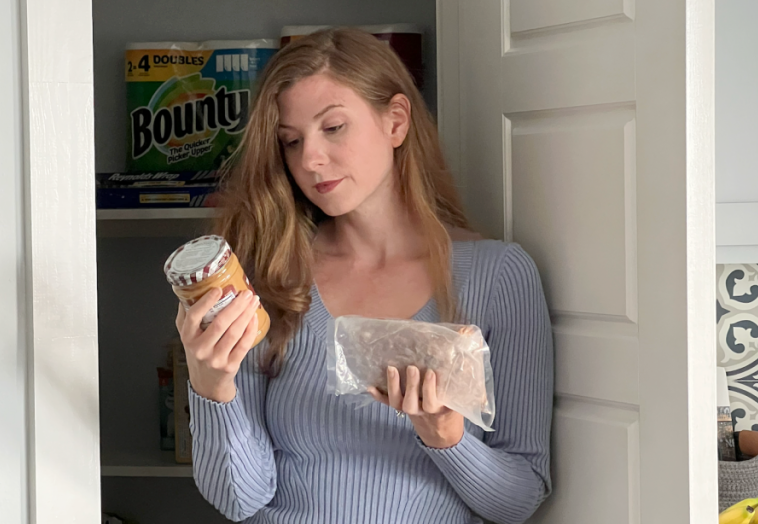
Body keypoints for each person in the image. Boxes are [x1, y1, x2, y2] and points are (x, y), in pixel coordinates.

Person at [174, 27, 553, 524]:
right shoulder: (269, 279)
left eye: (333, 128)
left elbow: (520, 499)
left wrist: (445, 436)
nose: (310, 159)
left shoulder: (498, 276)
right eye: (291, 142)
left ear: (395, 121)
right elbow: (240, 499)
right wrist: (211, 385)